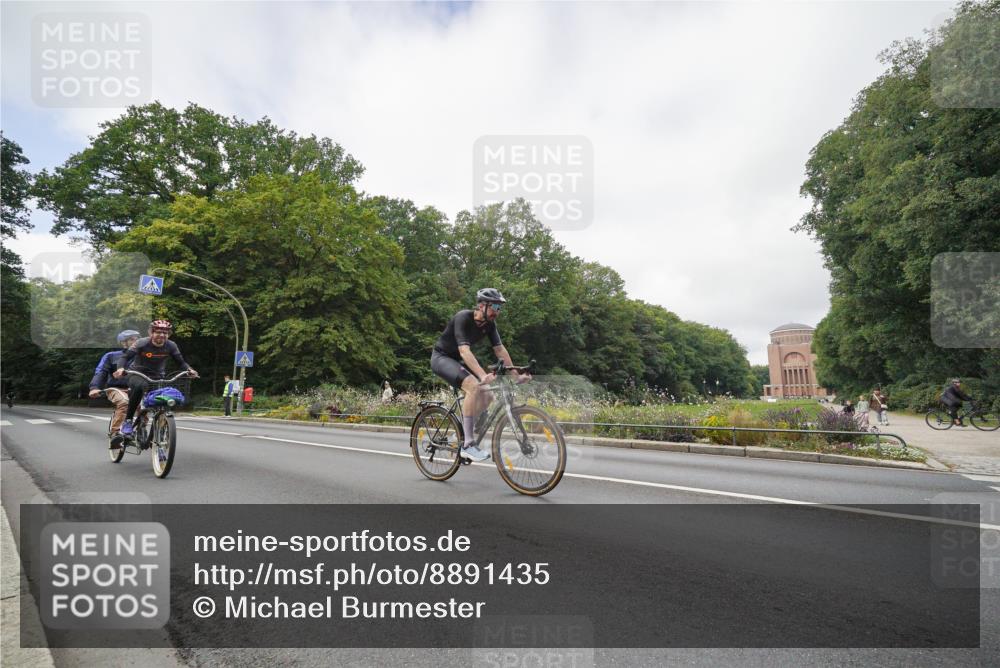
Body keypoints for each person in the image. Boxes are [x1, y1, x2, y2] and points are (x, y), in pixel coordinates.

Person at [430, 288, 530, 462]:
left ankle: (460, 434)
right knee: (474, 387)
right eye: (495, 307)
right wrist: (482, 375)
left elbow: (500, 350)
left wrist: (515, 375)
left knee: (488, 396)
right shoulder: (463, 317)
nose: (497, 312)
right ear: (482, 305)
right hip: (442, 358)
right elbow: (464, 351)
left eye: (500, 308)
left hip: (458, 362)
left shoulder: (490, 325)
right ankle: (467, 445)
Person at [113, 320, 198, 437]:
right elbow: (125, 357)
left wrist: (190, 370)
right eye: (158, 332)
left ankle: (159, 425)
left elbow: (181, 363)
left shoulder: (171, 345)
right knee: (139, 386)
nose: (162, 335)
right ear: (151, 333)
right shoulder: (141, 343)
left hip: (157, 376)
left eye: (165, 333)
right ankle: (128, 421)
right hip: (137, 373)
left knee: (164, 397)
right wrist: (120, 368)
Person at [88, 329, 140, 448]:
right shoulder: (111, 356)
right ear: (123, 343)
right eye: (132, 339)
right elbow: (101, 372)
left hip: (138, 388)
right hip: (117, 389)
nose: (135, 341)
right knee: (124, 402)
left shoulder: (143, 356)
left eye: (137, 339)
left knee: (147, 405)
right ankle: (115, 434)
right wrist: (95, 387)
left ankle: (143, 430)